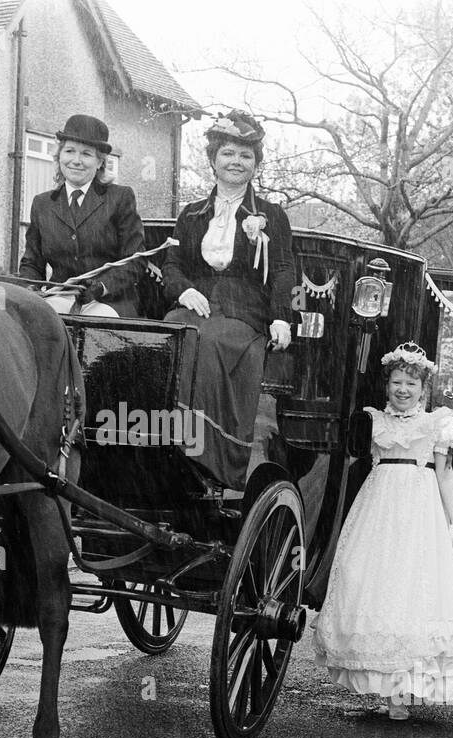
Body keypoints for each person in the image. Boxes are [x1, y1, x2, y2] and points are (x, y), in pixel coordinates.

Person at [311, 342, 453, 720]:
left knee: (414, 591)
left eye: (411, 383)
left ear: (423, 388)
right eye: (397, 382)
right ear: (388, 384)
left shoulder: (437, 424)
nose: (403, 389)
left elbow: (445, 476)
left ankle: (407, 691)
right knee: (377, 589)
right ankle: (384, 689)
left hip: (419, 513)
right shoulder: (374, 420)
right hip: (378, 510)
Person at [161, 110, 295, 490]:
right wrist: (183, 289)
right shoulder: (190, 215)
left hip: (244, 307)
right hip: (196, 302)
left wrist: (281, 317)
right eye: (228, 154)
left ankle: (204, 455)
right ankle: (157, 439)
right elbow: (171, 264)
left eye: (245, 156)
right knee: (171, 333)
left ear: (255, 165)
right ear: (213, 160)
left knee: (213, 341)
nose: (235, 162)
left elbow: (284, 269)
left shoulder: (271, 215)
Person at [18, 114, 144, 318]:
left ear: (100, 162)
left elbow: (134, 261)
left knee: (91, 329)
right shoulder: (42, 204)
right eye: (69, 151)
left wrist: (101, 286)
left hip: (110, 301)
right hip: (60, 297)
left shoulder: (120, 198)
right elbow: (32, 263)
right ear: (59, 156)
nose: (76, 161)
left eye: (86, 154)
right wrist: (31, 288)